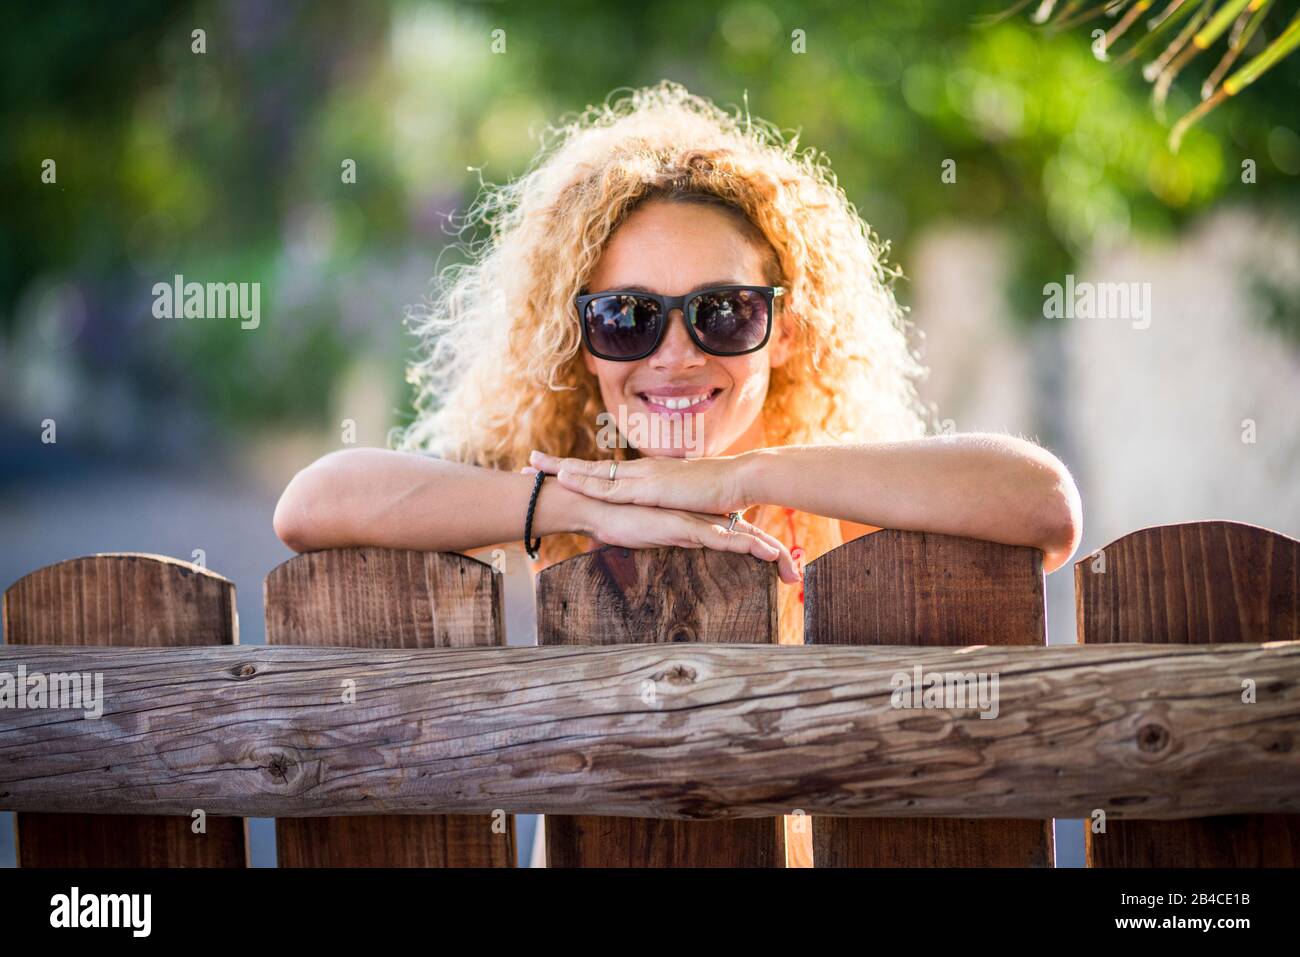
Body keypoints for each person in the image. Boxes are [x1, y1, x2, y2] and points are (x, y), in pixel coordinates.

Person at [273, 81, 1083, 866]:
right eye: (626, 317)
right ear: (579, 340)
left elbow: (1045, 504)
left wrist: (741, 476)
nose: (675, 355)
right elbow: (312, 503)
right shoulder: (571, 481)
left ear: (786, 331)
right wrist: (582, 503)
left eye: (723, 312)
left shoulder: (842, 495)